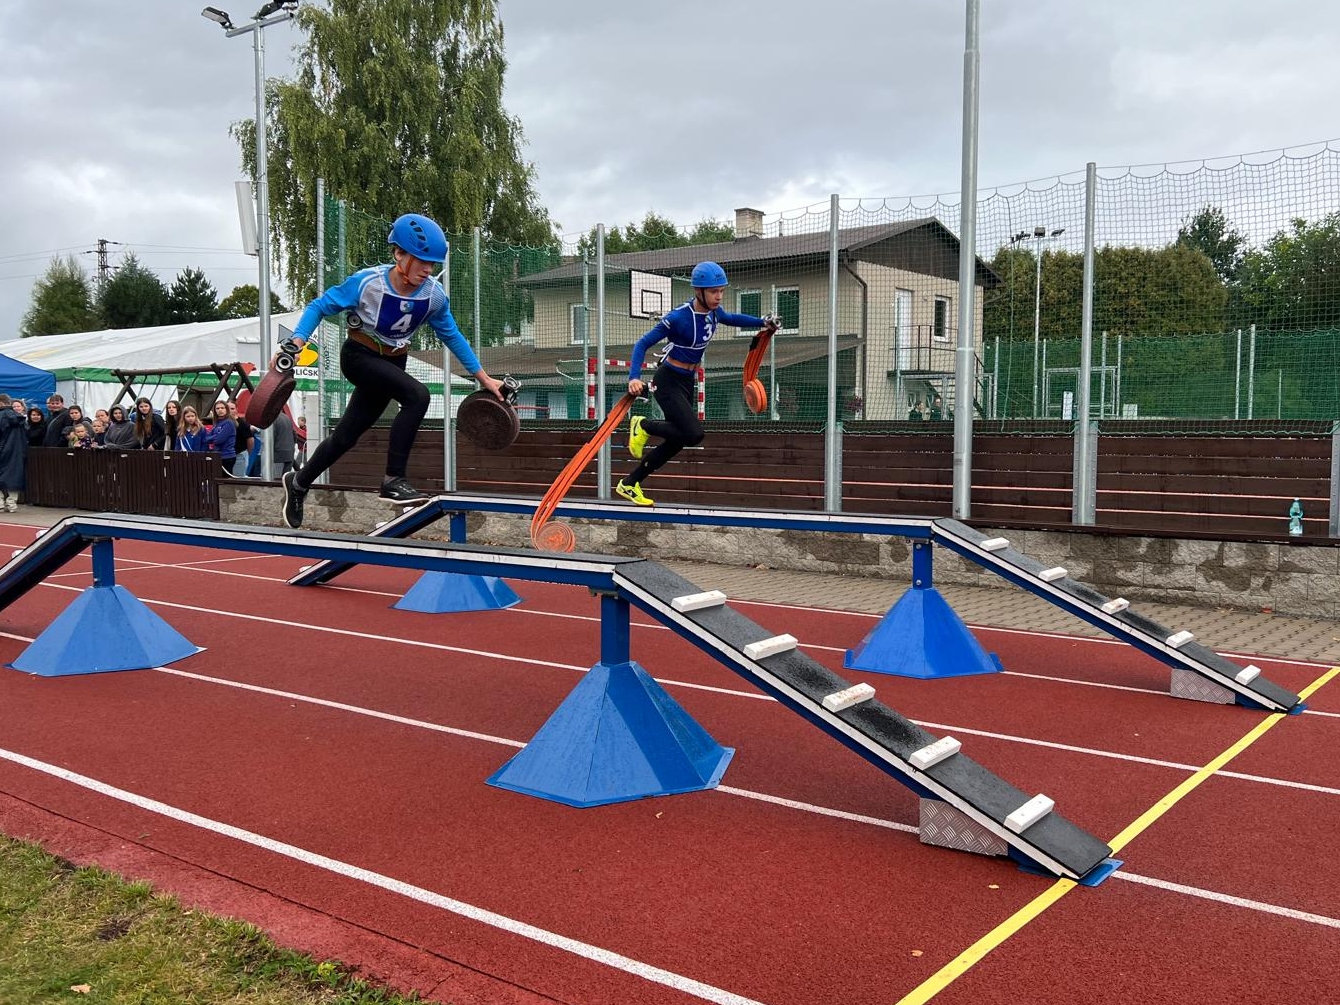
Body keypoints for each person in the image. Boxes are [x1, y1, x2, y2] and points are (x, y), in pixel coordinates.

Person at [279, 213, 504, 529]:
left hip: (394, 362)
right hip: (359, 357)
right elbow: (319, 306)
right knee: (417, 396)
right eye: (422, 261)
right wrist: (297, 340)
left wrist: (484, 378)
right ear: (399, 254)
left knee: (346, 436)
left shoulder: (434, 296)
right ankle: (393, 479)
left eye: (433, 264)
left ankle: (299, 482)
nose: (428, 270)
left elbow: (452, 335)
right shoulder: (367, 283)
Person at [615, 261, 777, 506]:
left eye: (721, 291)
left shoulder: (714, 312)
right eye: (713, 291)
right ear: (698, 291)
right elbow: (642, 344)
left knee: (679, 439)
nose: (719, 296)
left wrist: (762, 322)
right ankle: (643, 424)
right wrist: (634, 378)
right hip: (667, 380)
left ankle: (630, 483)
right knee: (694, 434)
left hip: (686, 381)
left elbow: (732, 318)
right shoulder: (678, 317)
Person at [0, 394, 27, 512]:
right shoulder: (19, 417)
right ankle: (11, 503)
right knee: (15, 476)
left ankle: (0, 503)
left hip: (3, 448)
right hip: (17, 450)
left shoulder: (1, 415)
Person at [206, 400, 238, 475]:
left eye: (222, 408)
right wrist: (215, 436)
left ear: (226, 409)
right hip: (218, 456)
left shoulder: (228, 423)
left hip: (227, 456)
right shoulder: (217, 423)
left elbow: (219, 440)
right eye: (217, 408)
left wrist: (213, 438)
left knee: (225, 480)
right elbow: (206, 438)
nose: (220, 410)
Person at [228, 401, 253, 477]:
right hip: (229, 456)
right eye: (228, 408)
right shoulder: (224, 423)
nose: (230, 411)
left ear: (236, 409)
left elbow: (250, 440)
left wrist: (247, 453)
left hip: (239, 455)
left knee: (238, 479)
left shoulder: (242, 424)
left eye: (232, 408)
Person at [269, 409, 296, 475]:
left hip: (278, 454)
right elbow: (294, 434)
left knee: (276, 478)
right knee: (285, 478)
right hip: (290, 453)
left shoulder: (273, 419)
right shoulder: (287, 418)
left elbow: (271, 437)